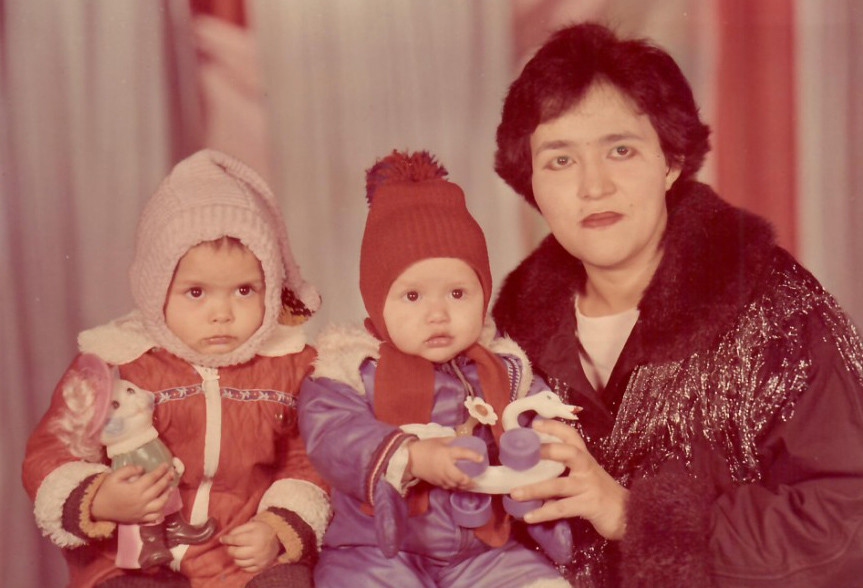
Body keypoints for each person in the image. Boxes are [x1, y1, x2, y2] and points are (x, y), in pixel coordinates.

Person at [490, 21, 863, 588]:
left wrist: (633, 516)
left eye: (620, 150)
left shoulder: (779, 312)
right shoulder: (506, 339)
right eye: (560, 160)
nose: (594, 187)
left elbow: (847, 522)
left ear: (670, 161)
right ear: (531, 183)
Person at [22, 149, 331, 588]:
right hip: (132, 558)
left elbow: (310, 461)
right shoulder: (116, 361)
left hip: (240, 556)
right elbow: (53, 450)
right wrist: (100, 498)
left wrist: (277, 527)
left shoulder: (292, 366)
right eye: (196, 292)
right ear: (156, 290)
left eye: (244, 290)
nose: (222, 314)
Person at [298, 150, 570, 588]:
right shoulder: (351, 370)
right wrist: (413, 456)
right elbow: (332, 435)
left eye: (458, 294)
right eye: (412, 296)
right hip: (375, 550)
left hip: (482, 551)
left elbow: (534, 412)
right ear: (377, 301)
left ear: (483, 295)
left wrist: (546, 432)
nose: (438, 314)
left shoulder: (503, 368)